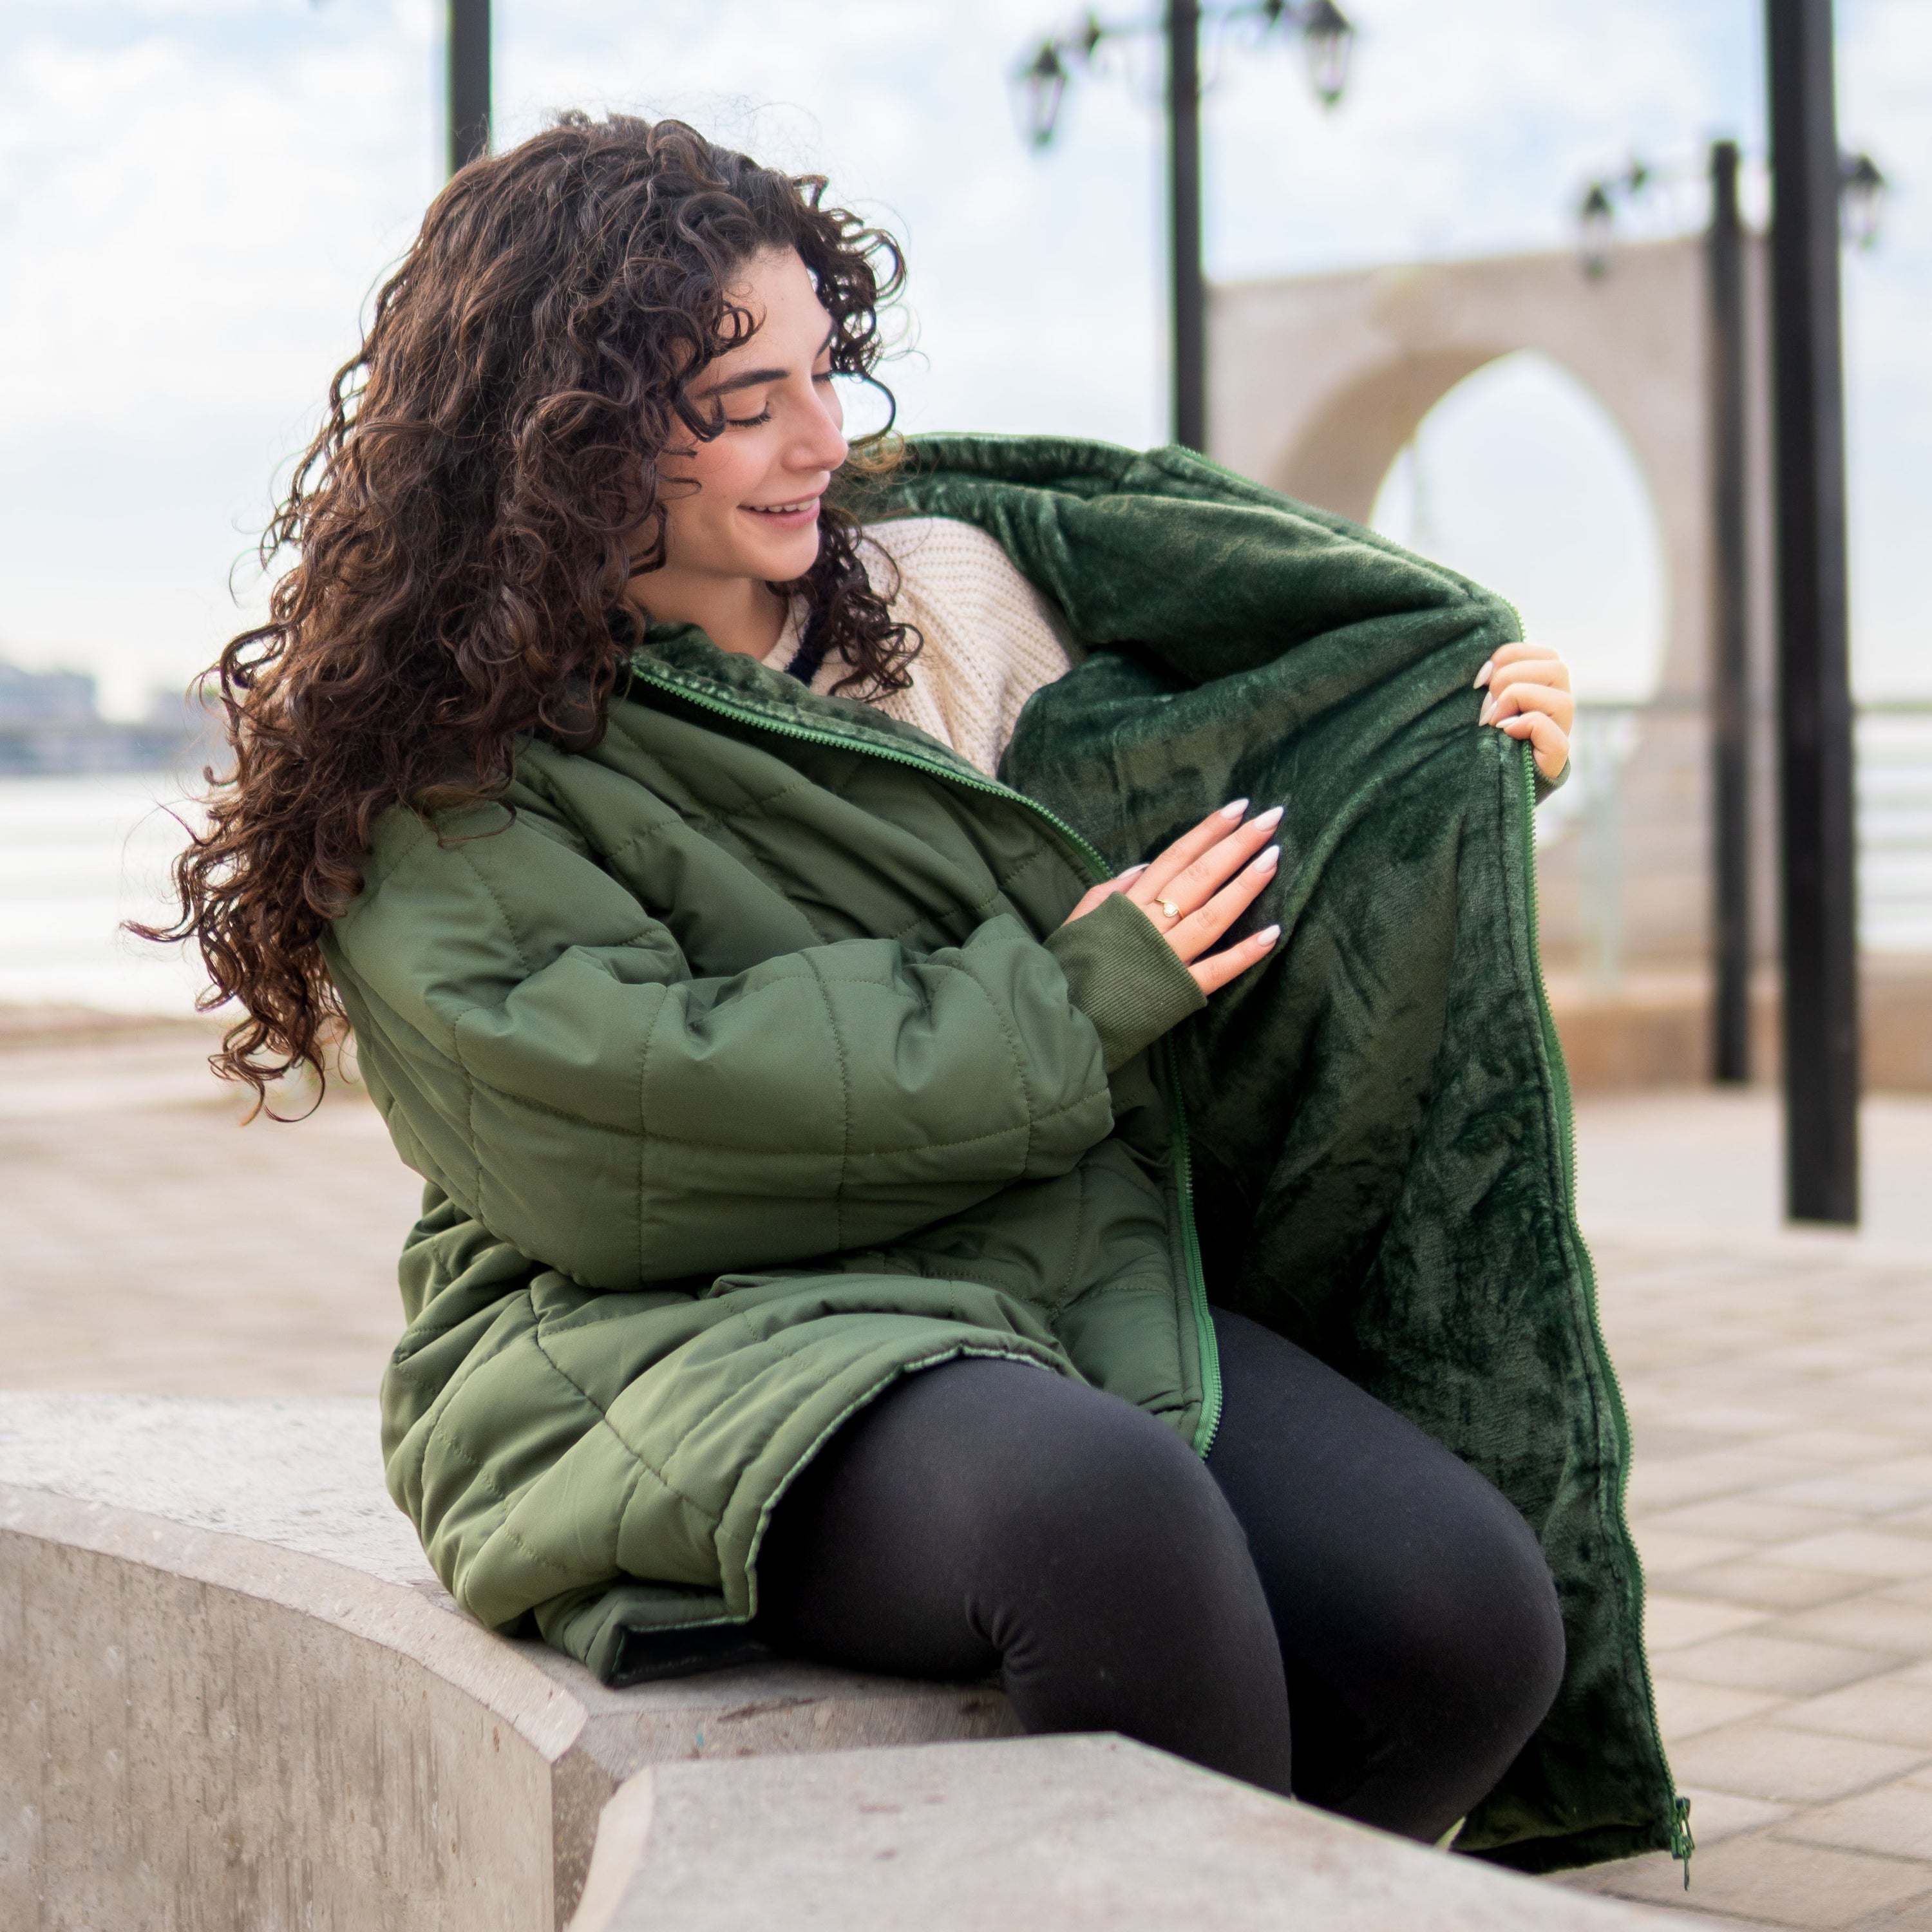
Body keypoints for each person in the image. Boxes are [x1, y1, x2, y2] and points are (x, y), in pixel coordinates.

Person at [155, 114, 1679, 1871]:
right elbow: (619, 1118)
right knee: (1113, 1531)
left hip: (1022, 1265)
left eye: (827, 371)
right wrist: (1073, 1000)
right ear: (566, 429)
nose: (825, 441)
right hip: (649, 1324)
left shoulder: (946, 592)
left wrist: (1444, 780)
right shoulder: (444, 757)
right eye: (746, 400)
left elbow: (1232, 815)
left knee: (1463, 1619)